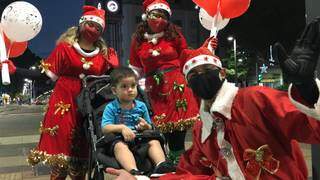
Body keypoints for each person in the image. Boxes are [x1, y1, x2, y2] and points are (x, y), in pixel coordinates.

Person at [106, 18, 320, 180]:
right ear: (187, 83)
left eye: (207, 70)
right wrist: (139, 177)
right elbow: (189, 175)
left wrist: (308, 90)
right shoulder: (202, 130)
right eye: (194, 75)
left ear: (222, 73)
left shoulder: (256, 99)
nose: (201, 77)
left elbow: (309, 126)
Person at [0, 5, 119, 180]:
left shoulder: (103, 55)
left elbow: (111, 83)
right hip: (63, 104)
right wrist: (16, 70)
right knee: (60, 161)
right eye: (90, 25)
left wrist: (113, 69)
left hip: (87, 107)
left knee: (82, 159)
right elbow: (43, 75)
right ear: (81, 24)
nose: (93, 29)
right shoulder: (64, 49)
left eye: (98, 28)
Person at [129, 0, 200, 164]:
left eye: (163, 16)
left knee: (178, 127)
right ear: (146, 16)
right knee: (164, 128)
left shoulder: (174, 35)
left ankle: (178, 162)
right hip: (154, 88)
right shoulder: (138, 40)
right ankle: (173, 161)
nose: (159, 19)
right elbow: (135, 68)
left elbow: (186, 56)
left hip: (177, 85)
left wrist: (204, 49)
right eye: (155, 15)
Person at [101, 67, 175, 176]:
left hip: (141, 138)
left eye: (133, 86)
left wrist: (146, 126)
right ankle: (134, 171)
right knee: (120, 147)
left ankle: (161, 166)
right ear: (114, 90)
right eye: (124, 86)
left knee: (154, 142)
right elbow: (105, 128)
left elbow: (149, 126)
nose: (130, 89)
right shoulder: (111, 107)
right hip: (119, 139)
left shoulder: (141, 106)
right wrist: (122, 128)